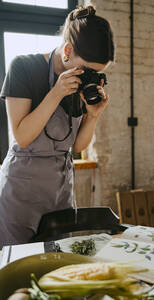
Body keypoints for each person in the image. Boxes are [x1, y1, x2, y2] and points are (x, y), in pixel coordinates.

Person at [0, 5, 114, 249]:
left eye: (97, 73)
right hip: (21, 193)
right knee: (16, 269)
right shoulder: (23, 68)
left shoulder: (82, 82)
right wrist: (56, 93)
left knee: (57, 264)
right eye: (87, 69)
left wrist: (93, 116)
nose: (90, 77)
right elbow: (22, 137)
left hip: (60, 193)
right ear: (68, 50)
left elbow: (77, 146)